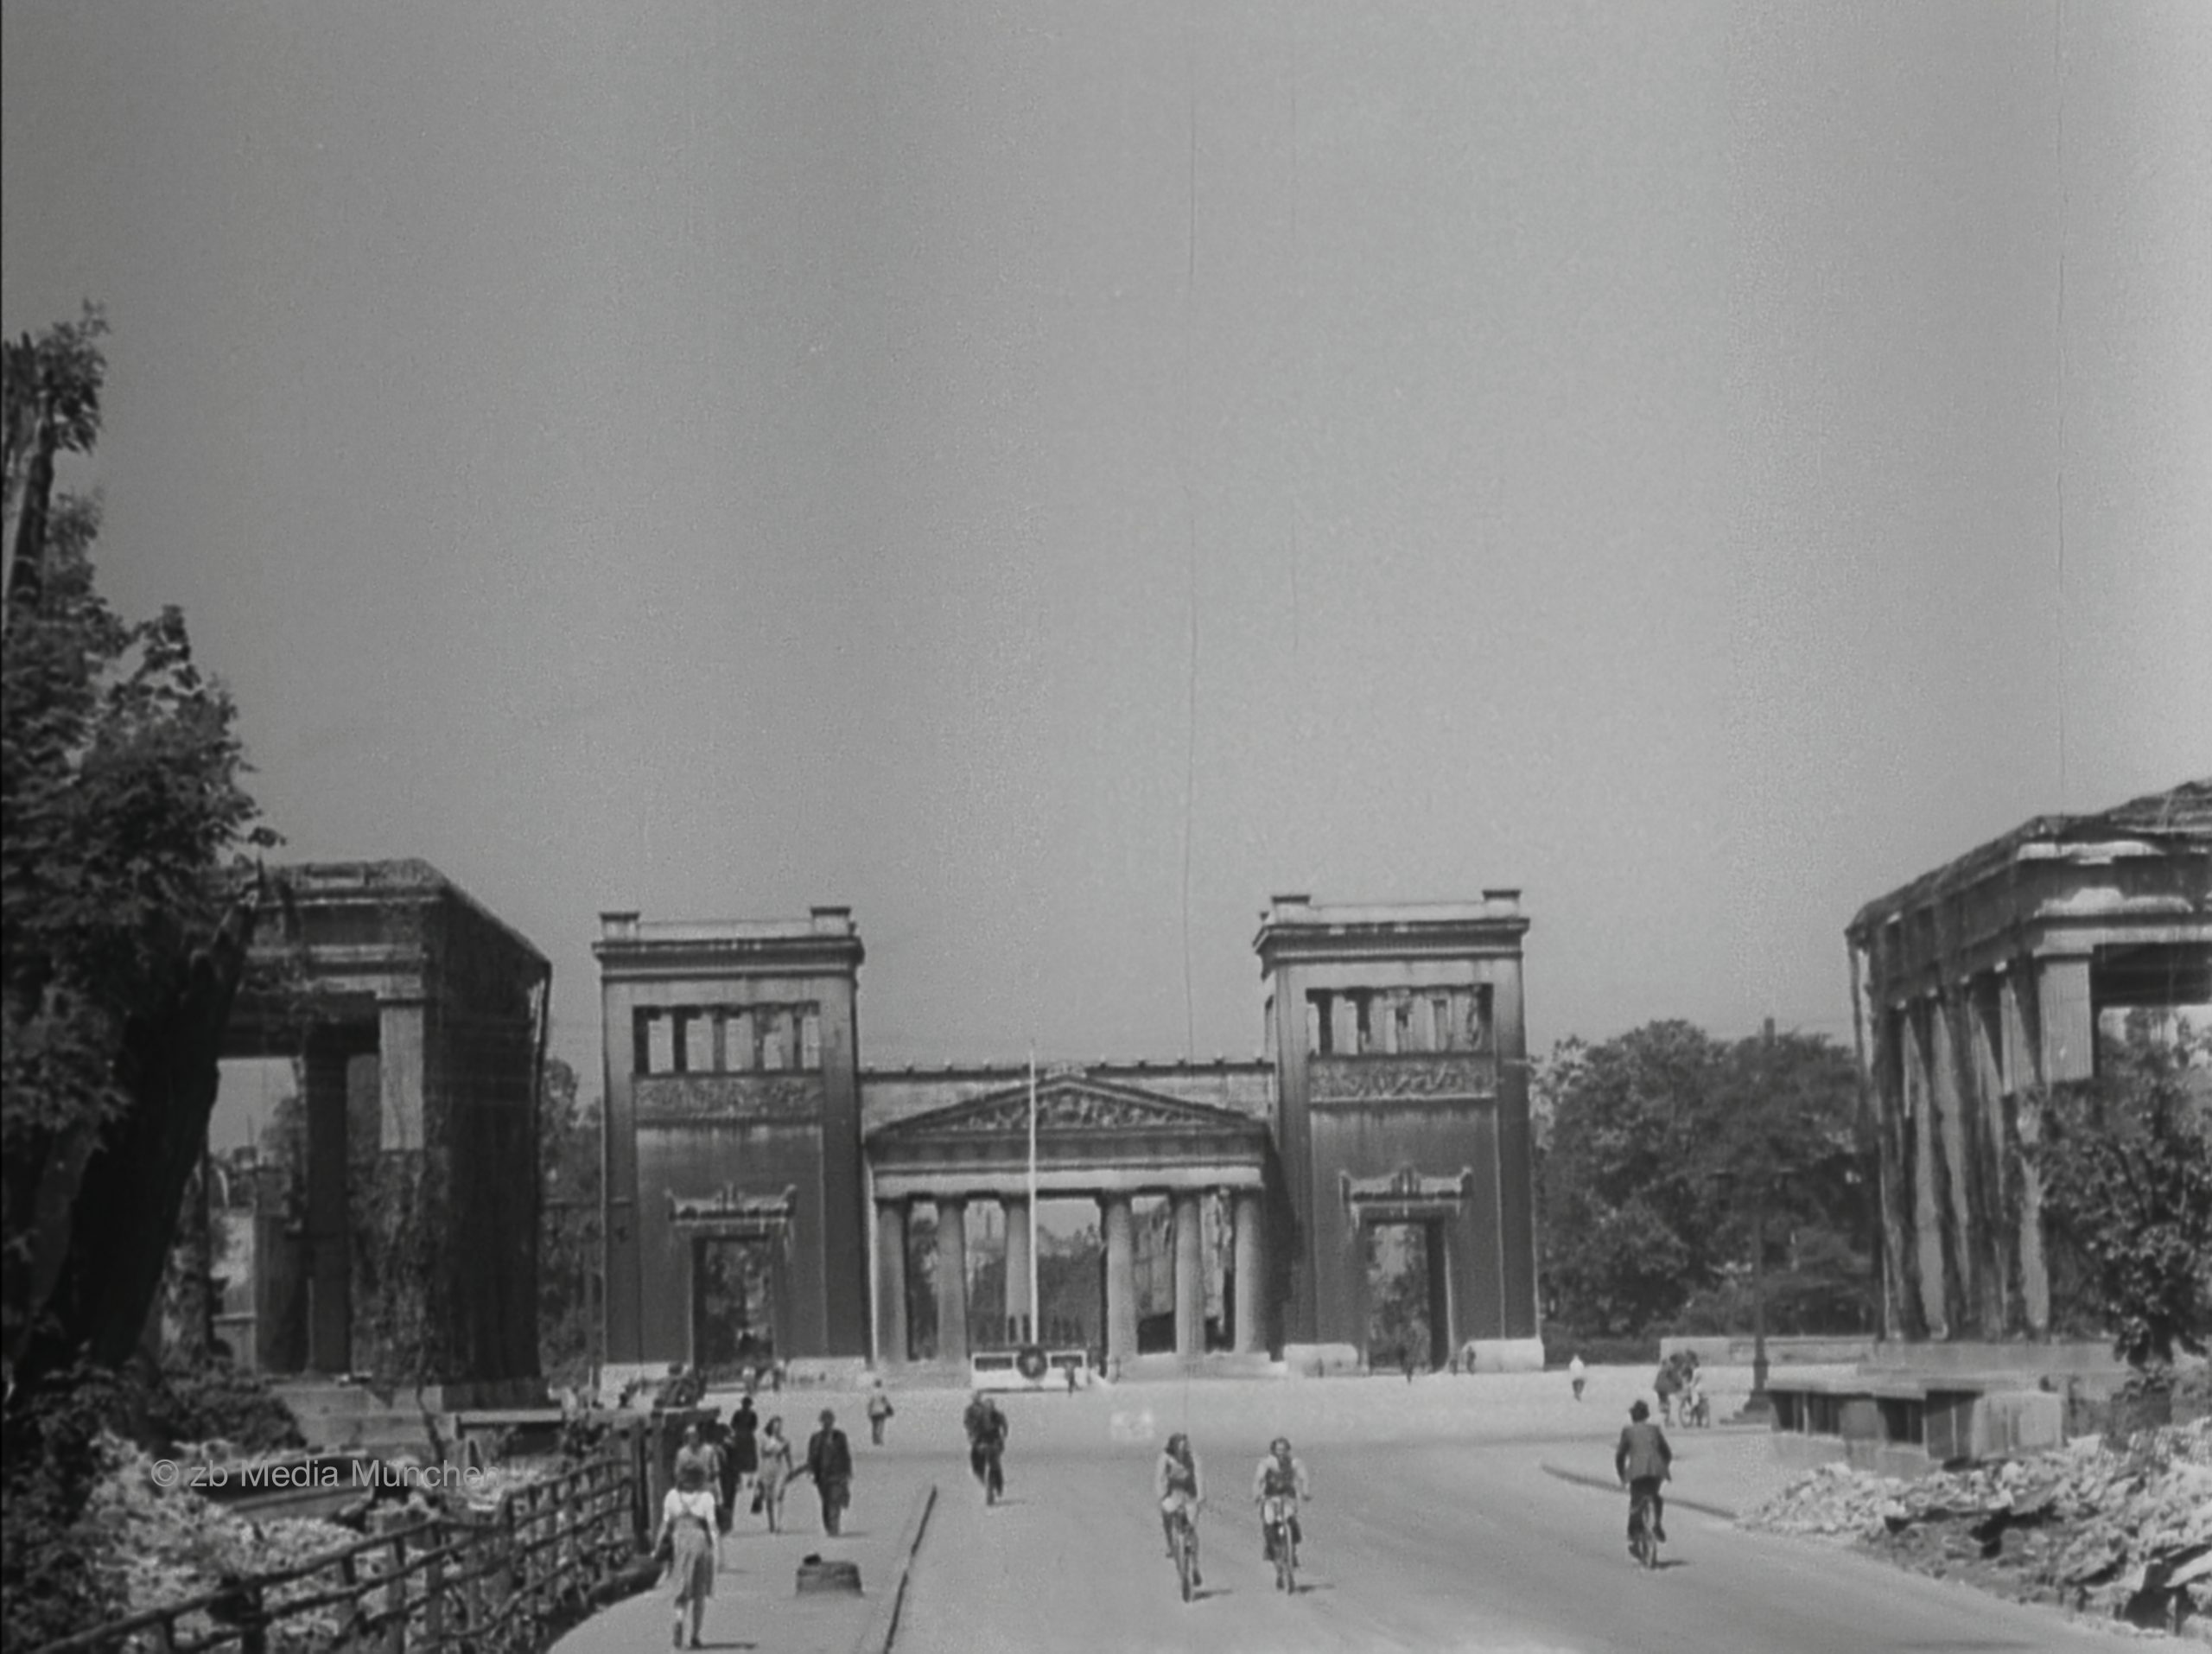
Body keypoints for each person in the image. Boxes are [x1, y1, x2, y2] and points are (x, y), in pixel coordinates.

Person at [655, 1459, 718, 1649]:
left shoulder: (672, 1496)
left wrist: (657, 1548)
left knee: (681, 1588)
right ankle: (695, 1635)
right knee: (699, 1592)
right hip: (699, 1540)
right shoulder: (706, 1498)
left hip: (679, 1541)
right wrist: (717, 1550)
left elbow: (665, 1524)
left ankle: (679, 1619)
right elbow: (712, 1526)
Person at [1614, 1399, 1673, 1553]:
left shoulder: (1628, 1432)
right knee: (1655, 1496)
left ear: (1633, 1417)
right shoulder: (1654, 1430)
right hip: (1656, 1469)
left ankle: (1634, 1534)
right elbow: (1667, 1453)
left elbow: (1620, 1455)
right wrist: (1663, 1467)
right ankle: (1657, 1523)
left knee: (1636, 1501)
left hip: (1638, 1471)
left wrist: (1621, 1475)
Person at [1250, 1436, 1310, 1562]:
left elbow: (1303, 1477)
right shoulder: (1266, 1463)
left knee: (1291, 1518)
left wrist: (1305, 1491)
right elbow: (1258, 1479)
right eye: (1278, 1450)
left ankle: (1292, 1549)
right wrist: (1256, 1494)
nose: (1281, 1452)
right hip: (1270, 1497)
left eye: (1283, 1449)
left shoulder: (1295, 1462)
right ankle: (1270, 1548)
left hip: (1288, 1496)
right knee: (1269, 1520)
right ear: (1273, 1450)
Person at [1155, 1433, 1204, 1586]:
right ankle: (1171, 1544)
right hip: (1173, 1495)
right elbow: (1160, 1478)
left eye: (1185, 1444)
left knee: (1191, 1530)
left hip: (1189, 1496)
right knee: (1167, 1516)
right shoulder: (1165, 1458)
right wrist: (1162, 1496)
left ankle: (1195, 1566)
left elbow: (1199, 1476)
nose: (1182, 1448)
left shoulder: (1192, 1458)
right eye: (1179, 1444)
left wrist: (1201, 1496)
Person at [803, 1408, 854, 1535]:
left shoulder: (840, 1437)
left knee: (835, 1501)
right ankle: (829, 1526)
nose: (827, 1424)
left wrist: (848, 1472)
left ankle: (834, 1527)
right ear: (821, 1423)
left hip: (837, 1474)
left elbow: (846, 1455)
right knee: (826, 1501)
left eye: (829, 1421)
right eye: (825, 1421)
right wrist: (810, 1470)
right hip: (822, 1476)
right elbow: (811, 1455)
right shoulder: (816, 1438)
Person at [963, 1390, 1009, 1502]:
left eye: (989, 1408)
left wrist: (1002, 1440)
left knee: (995, 1465)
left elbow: (1004, 1428)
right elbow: (971, 1428)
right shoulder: (976, 1415)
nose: (987, 1411)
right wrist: (973, 1439)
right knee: (978, 1466)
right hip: (982, 1443)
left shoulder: (997, 1415)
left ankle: (998, 1487)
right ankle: (988, 1484)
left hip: (993, 1443)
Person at [754, 1415, 794, 1532]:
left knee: (779, 1496)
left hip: (779, 1470)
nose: (777, 1429)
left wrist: (791, 1469)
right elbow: (762, 1455)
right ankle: (771, 1523)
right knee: (769, 1498)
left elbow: (788, 1456)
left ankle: (779, 1524)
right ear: (772, 1427)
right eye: (775, 1426)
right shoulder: (765, 1441)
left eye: (779, 1426)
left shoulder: (785, 1441)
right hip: (767, 1469)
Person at [727, 1397, 760, 1511]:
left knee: (745, 1457)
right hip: (744, 1437)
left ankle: (747, 1479)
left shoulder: (747, 1414)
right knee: (740, 1457)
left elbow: (733, 1425)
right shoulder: (741, 1414)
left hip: (743, 1437)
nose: (746, 1406)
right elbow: (734, 1425)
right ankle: (741, 1479)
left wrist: (741, 1431)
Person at [866, 1380, 895, 1447]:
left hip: (874, 1412)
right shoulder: (882, 1392)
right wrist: (889, 1408)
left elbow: (870, 1403)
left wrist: (869, 1412)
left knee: (874, 1426)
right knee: (881, 1426)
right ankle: (880, 1439)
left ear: (875, 1384)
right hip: (881, 1411)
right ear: (881, 1385)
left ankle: (875, 1440)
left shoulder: (872, 1393)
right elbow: (885, 1401)